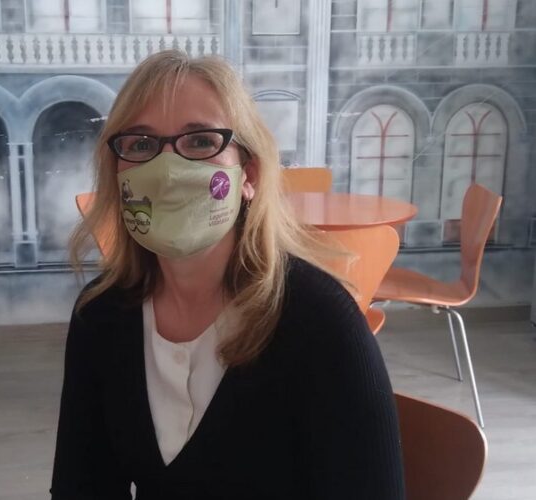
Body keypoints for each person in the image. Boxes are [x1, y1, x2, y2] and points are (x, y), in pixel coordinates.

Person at [51, 50, 404, 500]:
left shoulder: (321, 323)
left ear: (248, 173)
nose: (168, 170)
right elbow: (83, 486)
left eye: (200, 141)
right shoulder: (101, 316)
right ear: (116, 172)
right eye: (140, 144)